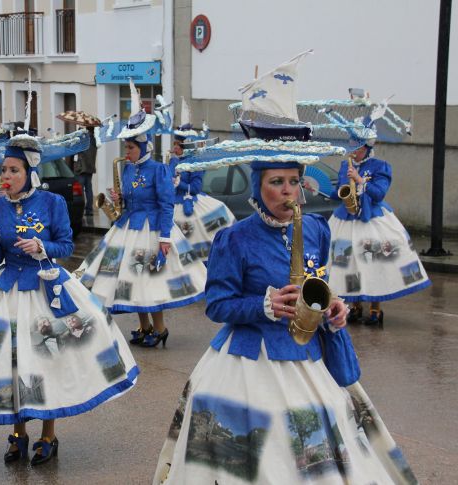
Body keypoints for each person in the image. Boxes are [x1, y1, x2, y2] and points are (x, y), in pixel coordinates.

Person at [153, 136, 417, 484]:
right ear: (258, 186)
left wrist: (334, 306)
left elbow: (319, 282)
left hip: (307, 354)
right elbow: (217, 305)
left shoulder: (315, 229)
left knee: (321, 426)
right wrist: (265, 305)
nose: (287, 191)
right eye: (276, 182)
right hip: (247, 360)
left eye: (293, 181)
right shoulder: (234, 239)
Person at [0, 131, 138, 467]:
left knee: (45, 361)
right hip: (7, 286)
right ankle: (18, 434)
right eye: (4, 170)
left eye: (13, 170)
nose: (5, 177)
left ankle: (48, 435)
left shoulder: (52, 202)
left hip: (45, 288)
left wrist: (42, 248)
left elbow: (66, 246)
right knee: (11, 361)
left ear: (29, 173)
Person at [76, 87, 207, 348]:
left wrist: (165, 238)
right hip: (128, 226)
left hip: (152, 228)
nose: (127, 151)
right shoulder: (127, 169)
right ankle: (144, 325)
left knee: (149, 281)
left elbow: (166, 205)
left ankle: (160, 328)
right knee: (133, 282)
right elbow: (128, 199)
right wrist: (117, 198)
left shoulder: (158, 170)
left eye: (131, 147)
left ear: (143, 146)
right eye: (126, 146)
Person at [327, 121, 430, 326]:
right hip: (346, 219)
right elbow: (340, 191)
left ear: (367, 147)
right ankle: (354, 307)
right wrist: (317, 189)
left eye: (357, 147)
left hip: (371, 220)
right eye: (351, 146)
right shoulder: (344, 165)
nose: (353, 151)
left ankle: (375, 310)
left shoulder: (380, 166)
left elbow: (379, 193)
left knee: (372, 263)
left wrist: (360, 180)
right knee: (347, 264)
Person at [168, 111, 235, 264]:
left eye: (178, 144)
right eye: (174, 144)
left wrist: (180, 184)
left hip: (190, 203)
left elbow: (196, 187)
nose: (175, 147)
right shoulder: (172, 162)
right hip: (173, 203)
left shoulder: (195, 163)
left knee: (196, 233)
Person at [73, 126, 97, 216]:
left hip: (81, 168)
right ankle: (89, 210)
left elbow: (76, 151)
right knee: (88, 189)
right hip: (90, 168)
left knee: (80, 190)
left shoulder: (83, 139)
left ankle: (81, 209)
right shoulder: (94, 139)